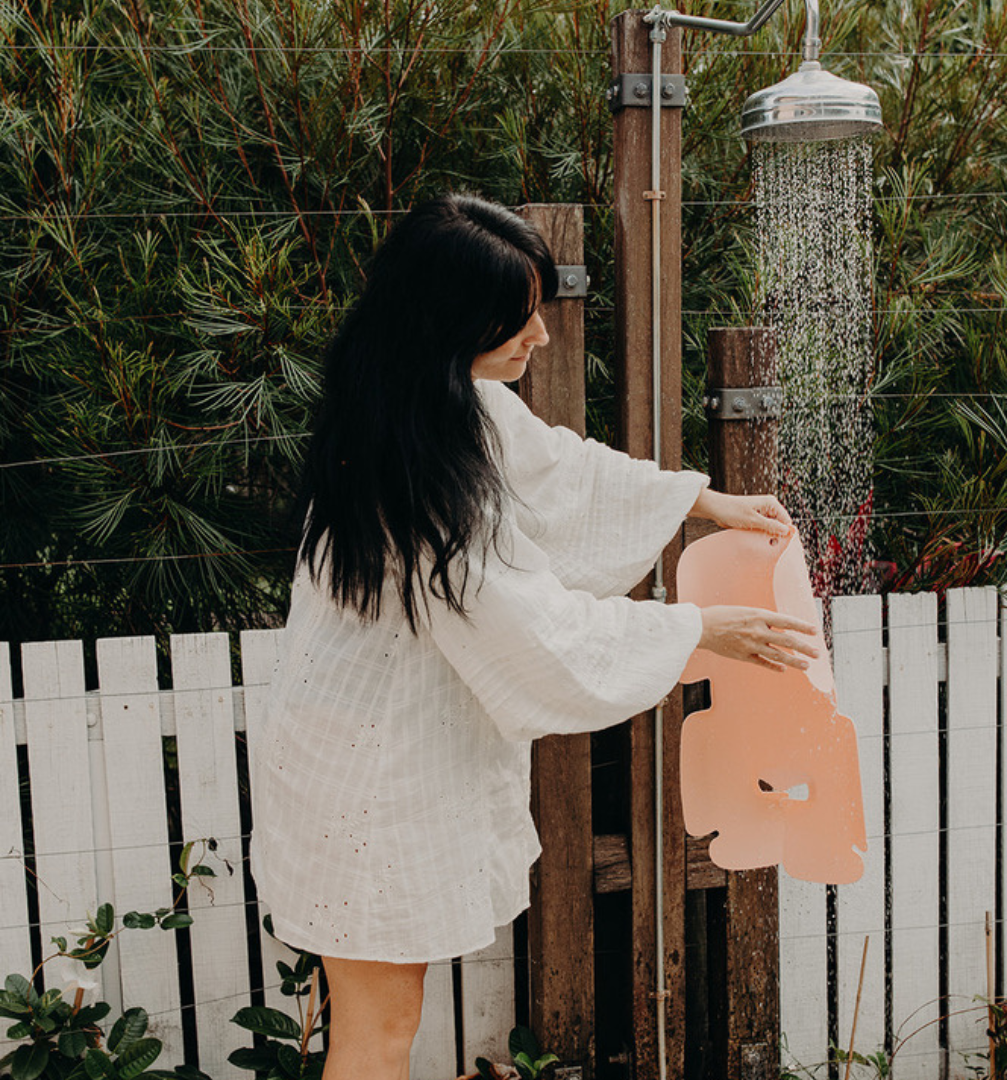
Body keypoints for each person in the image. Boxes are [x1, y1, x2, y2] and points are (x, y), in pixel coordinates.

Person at [249, 193, 818, 1080]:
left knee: (378, 1019)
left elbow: (558, 471)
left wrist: (697, 500)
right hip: (367, 780)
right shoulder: (415, 478)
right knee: (380, 1026)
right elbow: (532, 630)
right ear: (449, 325)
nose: (541, 339)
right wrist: (698, 629)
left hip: (371, 757)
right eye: (517, 320)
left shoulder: (435, 406)